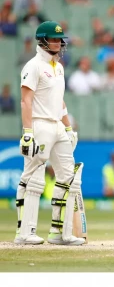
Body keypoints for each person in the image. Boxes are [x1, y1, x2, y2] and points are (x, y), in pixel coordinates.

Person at [14, 21, 85, 246]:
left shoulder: (59, 67)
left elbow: (59, 101)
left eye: (59, 39)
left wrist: (67, 126)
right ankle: (25, 232)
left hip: (56, 125)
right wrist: (27, 132)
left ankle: (59, 233)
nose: (58, 42)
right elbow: (26, 100)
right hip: (39, 124)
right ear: (42, 41)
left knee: (68, 178)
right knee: (34, 177)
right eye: (53, 39)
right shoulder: (33, 66)